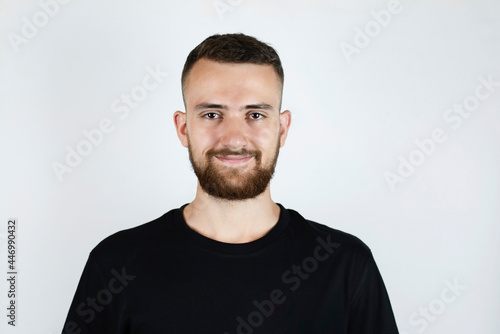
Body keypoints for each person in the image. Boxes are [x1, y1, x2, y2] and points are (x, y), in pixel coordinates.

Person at [62, 33, 399, 334]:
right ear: (183, 128)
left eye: (255, 114)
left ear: (282, 129)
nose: (234, 138)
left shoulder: (346, 266)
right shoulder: (117, 265)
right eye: (212, 114)